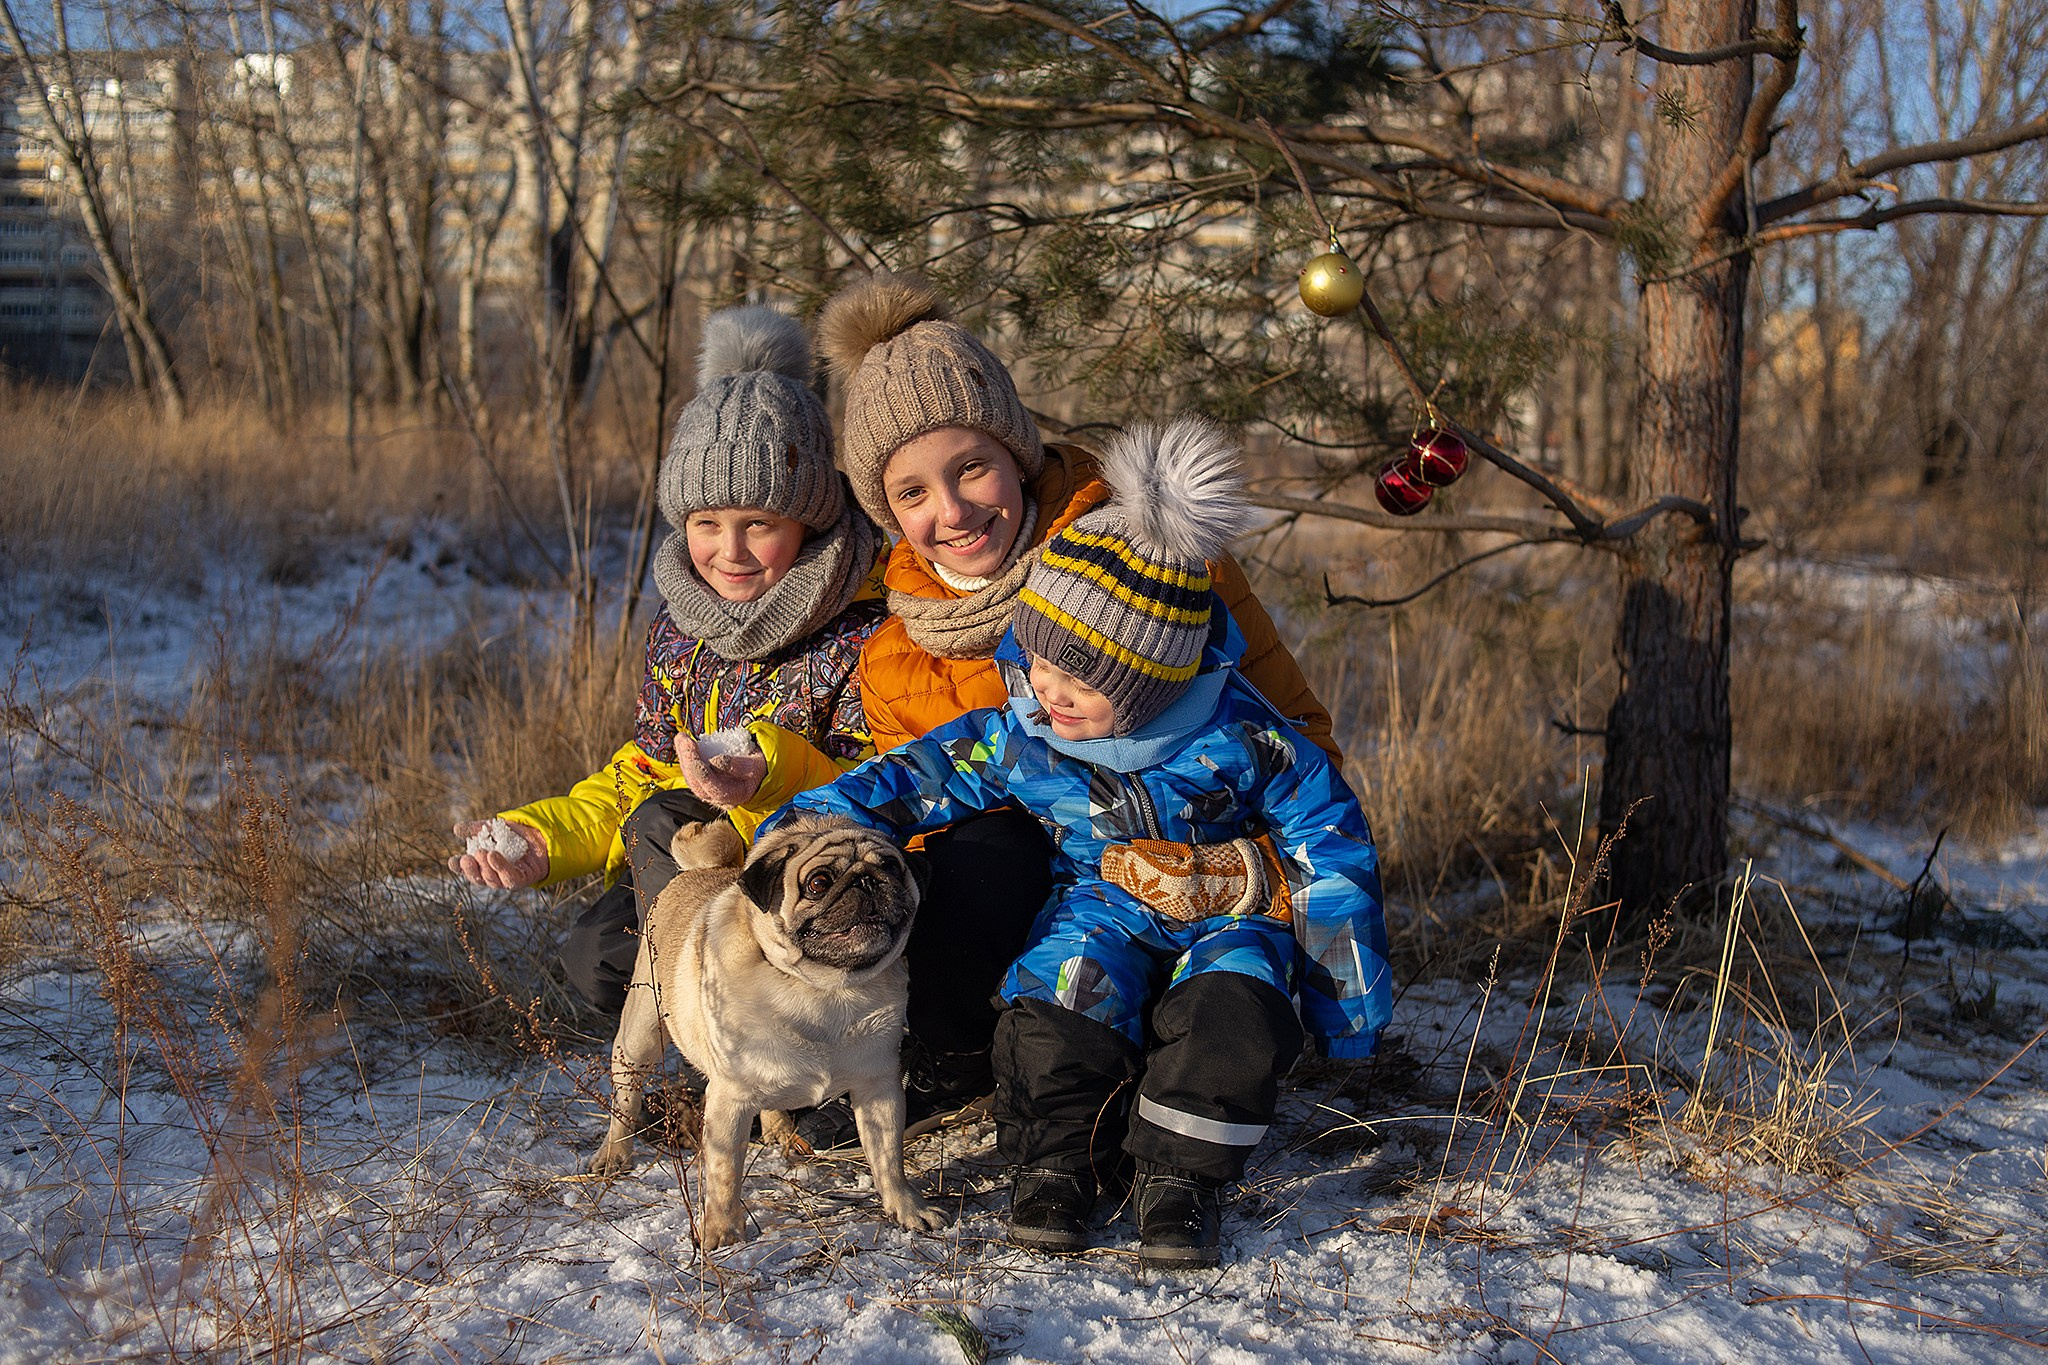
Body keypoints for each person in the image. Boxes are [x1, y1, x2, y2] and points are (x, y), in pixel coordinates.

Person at [765, 417, 1391, 1269]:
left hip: (1228, 914)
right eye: (1039, 661)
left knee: (1234, 1016)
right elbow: (916, 775)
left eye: (1076, 674)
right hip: (1098, 907)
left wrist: (1344, 999)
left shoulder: (1249, 738)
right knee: (1054, 1007)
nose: (1045, 688)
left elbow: (1332, 849)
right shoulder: (1032, 728)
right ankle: (1056, 1163)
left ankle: (1181, 1177)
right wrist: (814, 826)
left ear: (1152, 680)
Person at [802, 273, 1346, 1143]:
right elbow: (910, 817)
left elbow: (1299, 744)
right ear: (885, 508)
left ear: (1014, 452)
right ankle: (956, 1063)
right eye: (912, 493)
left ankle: (1171, 1054)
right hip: (1039, 933)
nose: (952, 511)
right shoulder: (892, 650)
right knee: (977, 841)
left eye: (971, 466)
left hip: (1193, 892)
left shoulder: (1158, 563)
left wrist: (1247, 868)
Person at [449, 306, 888, 1015]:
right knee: (596, 960)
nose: (730, 550)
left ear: (808, 519)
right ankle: (696, 1026)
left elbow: (876, 789)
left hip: (814, 874)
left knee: (664, 826)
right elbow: (646, 769)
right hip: (694, 860)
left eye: (760, 524)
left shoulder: (863, 624)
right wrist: (546, 835)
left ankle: (749, 1043)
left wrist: (767, 780)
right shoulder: (681, 624)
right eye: (707, 523)